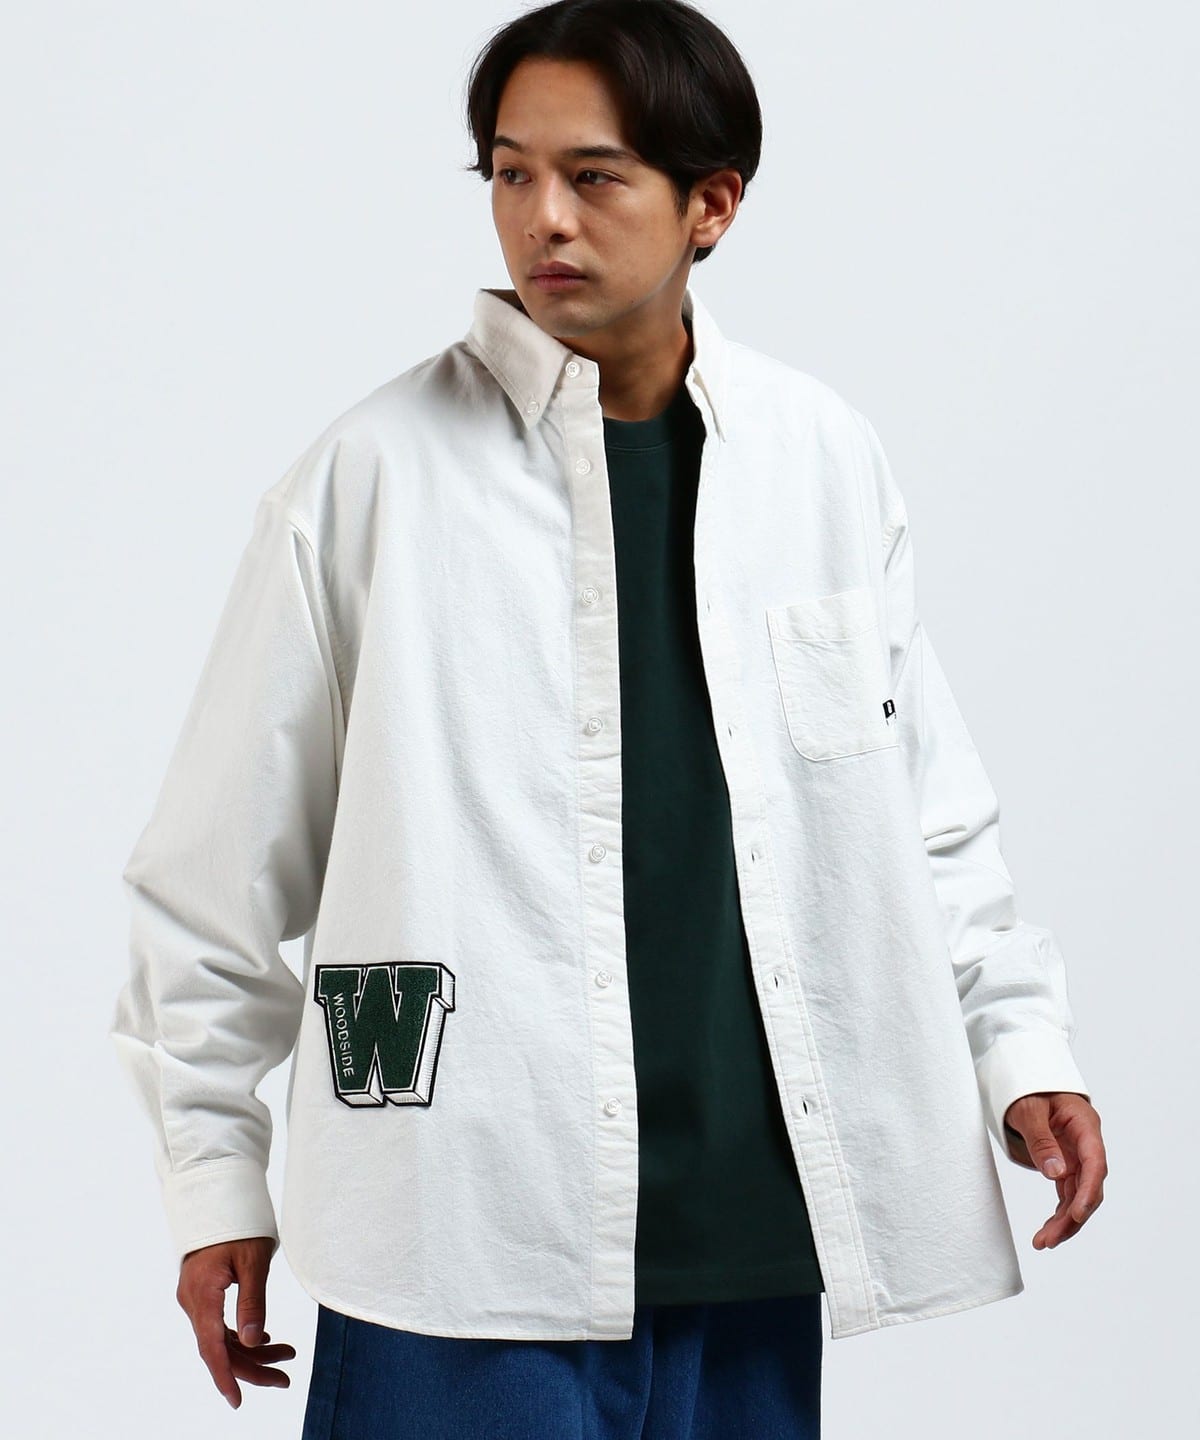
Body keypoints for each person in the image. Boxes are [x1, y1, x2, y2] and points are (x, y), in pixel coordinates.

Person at [108, 3, 1108, 1436]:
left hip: (758, 1232)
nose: (544, 219)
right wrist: (215, 1184)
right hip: (463, 1236)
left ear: (713, 205)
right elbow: (210, 883)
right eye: (511, 174)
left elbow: (925, 819)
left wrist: (1022, 1053)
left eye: (594, 176)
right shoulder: (371, 479)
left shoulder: (820, 462)